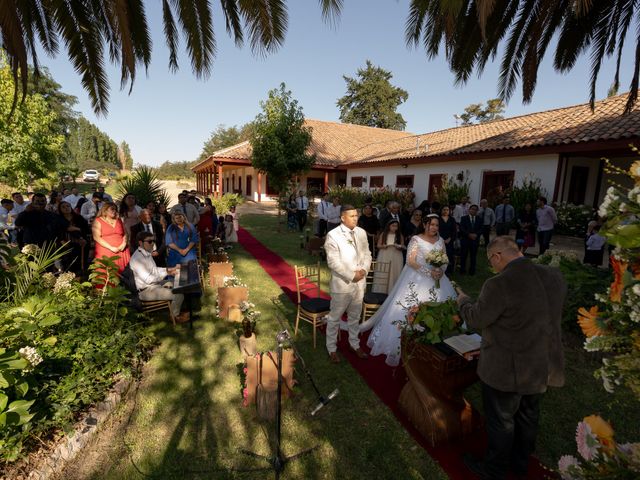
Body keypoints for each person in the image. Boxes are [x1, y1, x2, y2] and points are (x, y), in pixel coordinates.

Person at [456, 237, 566, 479]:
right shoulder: (553, 275)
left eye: (490, 261)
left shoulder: (500, 283)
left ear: (497, 256)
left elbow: (476, 319)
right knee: (528, 415)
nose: (492, 267)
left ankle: (493, 469)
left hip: (507, 367)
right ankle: (520, 463)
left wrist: (463, 300)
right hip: (541, 364)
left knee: (501, 421)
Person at [361, 214, 456, 366]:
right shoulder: (416, 239)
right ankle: (406, 342)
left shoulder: (440, 240)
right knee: (409, 309)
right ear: (425, 225)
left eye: (437, 225)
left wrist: (441, 270)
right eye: (431, 224)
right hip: (416, 278)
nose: (434, 228)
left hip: (438, 279)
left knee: (441, 308)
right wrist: (428, 272)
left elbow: (445, 258)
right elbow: (410, 261)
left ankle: (434, 341)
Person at [324, 205, 372, 363]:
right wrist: (352, 275)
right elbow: (333, 262)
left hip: (360, 284)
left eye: (356, 215)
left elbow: (367, 254)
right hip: (343, 285)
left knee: (354, 317)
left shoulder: (361, 232)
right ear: (342, 218)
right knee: (334, 318)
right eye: (351, 216)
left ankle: (354, 344)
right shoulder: (333, 235)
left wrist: (364, 270)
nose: (355, 218)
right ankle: (331, 348)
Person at [129, 231, 189, 323]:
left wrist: (171, 269)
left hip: (153, 285)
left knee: (180, 283)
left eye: (153, 241)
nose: (152, 244)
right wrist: (168, 273)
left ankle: (180, 310)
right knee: (178, 292)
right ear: (140, 243)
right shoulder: (138, 259)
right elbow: (149, 279)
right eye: (149, 242)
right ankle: (175, 317)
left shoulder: (146, 253)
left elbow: (155, 270)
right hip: (146, 290)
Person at [92, 202, 130, 273]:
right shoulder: (98, 220)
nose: (114, 211)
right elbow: (96, 237)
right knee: (107, 272)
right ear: (105, 210)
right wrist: (111, 247)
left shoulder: (119, 220)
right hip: (106, 250)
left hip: (122, 250)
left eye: (115, 209)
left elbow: (126, 234)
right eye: (112, 209)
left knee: (124, 273)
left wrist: (124, 244)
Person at [58, 201, 91, 274]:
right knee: (68, 266)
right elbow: (56, 232)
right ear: (60, 209)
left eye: (68, 206)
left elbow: (87, 230)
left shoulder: (78, 217)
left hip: (80, 244)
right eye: (63, 207)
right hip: (66, 245)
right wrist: (62, 241)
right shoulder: (58, 219)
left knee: (80, 265)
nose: (66, 208)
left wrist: (77, 229)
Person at [374, 219, 404, 293]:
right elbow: (378, 245)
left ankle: (393, 290)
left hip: (396, 255)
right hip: (385, 254)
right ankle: (382, 291)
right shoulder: (384, 234)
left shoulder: (399, 235)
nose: (395, 228)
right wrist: (383, 246)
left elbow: (403, 246)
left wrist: (399, 246)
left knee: (395, 270)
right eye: (393, 226)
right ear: (389, 226)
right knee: (385, 269)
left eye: (396, 226)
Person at [459, 204, 483, 275]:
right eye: (472, 209)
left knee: (473, 256)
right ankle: (462, 270)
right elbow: (462, 228)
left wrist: (476, 234)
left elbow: (481, 229)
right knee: (464, 255)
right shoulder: (464, 218)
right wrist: (469, 234)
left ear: (477, 211)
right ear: (469, 210)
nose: (473, 210)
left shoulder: (479, 219)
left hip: (475, 240)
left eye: (475, 209)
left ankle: (472, 271)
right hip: (465, 240)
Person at [438, 205, 457, 275]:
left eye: (447, 210)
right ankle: (439, 270)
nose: (445, 211)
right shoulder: (438, 219)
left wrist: (450, 238)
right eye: (444, 209)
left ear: (449, 211)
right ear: (441, 210)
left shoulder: (452, 219)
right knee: (439, 255)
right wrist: (441, 239)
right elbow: (436, 230)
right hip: (439, 241)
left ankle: (448, 271)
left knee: (449, 256)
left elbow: (454, 231)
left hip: (449, 241)